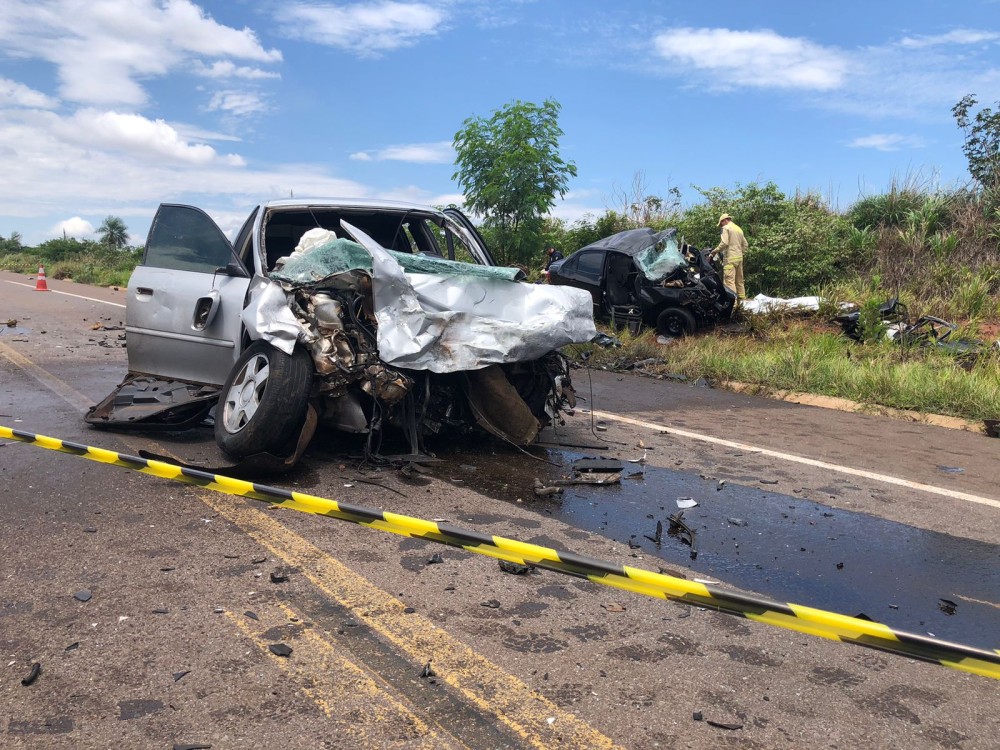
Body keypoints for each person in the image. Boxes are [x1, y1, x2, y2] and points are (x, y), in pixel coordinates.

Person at [712, 213, 747, 302]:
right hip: (739, 259)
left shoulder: (726, 228)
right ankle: (742, 301)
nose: (721, 225)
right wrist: (740, 253)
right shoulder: (739, 229)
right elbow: (745, 245)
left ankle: (733, 304)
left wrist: (714, 252)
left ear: (725, 220)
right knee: (739, 281)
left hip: (730, 259)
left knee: (729, 282)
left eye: (721, 223)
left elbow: (724, 243)